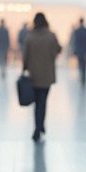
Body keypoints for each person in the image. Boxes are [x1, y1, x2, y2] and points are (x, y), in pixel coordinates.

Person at [22, 13, 61, 142]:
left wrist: (24, 69)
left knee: (37, 102)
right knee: (42, 101)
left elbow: (25, 56)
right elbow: (58, 49)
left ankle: (38, 126)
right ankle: (40, 126)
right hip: (47, 74)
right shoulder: (51, 36)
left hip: (33, 75)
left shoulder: (30, 37)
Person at [70, 18, 86, 85]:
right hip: (85, 50)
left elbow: (75, 41)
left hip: (79, 50)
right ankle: (83, 77)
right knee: (84, 64)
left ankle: (82, 76)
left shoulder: (77, 31)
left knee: (81, 64)